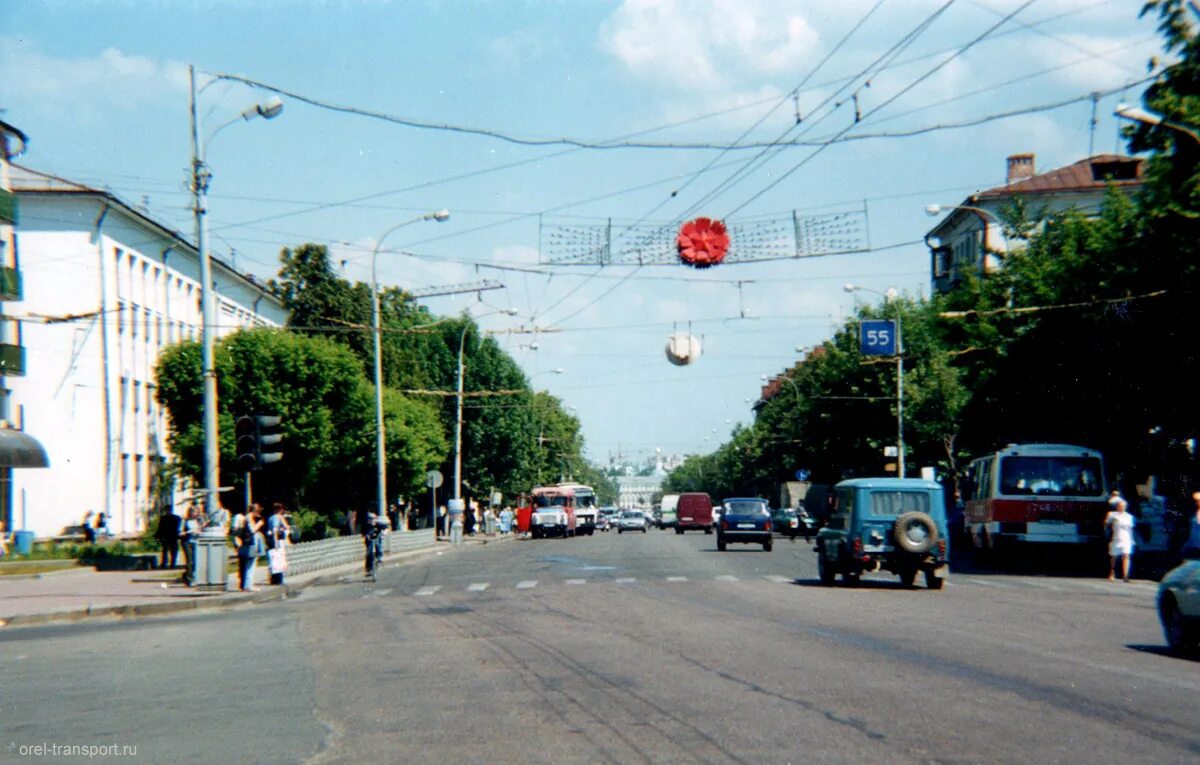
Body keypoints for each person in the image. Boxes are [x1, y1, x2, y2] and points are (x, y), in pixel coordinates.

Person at [232, 504, 265, 592]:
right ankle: (248, 586)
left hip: (245, 544)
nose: (258, 515)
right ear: (254, 511)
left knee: (246, 566)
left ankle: (245, 585)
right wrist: (259, 524)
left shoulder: (245, 518)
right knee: (250, 566)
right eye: (257, 512)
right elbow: (252, 530)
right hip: (250, 545)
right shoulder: (248, 518)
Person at [1104, 497, 1135, 582]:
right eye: (1120, 506)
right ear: (1117, 507)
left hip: (1126, 538)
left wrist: (1132, 540)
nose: (1121, 507)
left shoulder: (1129, 517)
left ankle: (1125, 575)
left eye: (1123, 506)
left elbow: (1130, 529)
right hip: (1116, 538)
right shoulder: (1112, 515)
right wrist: (1107, 532)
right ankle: (1112, 573)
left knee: (1126, 556)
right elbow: (1106, 524)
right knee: (1114, 557)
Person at [266, 502, 291, 586]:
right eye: (282, 510)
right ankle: (277, 580)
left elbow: (286, 527)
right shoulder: (276, 518)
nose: (283, 511)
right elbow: (275, 530)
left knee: (276, 560)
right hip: (277, 541)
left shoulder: (273, 517)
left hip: (276, 541)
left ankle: (276, 579)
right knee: (277, 560)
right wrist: (276, 542)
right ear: (280, 510)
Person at [363, 507, 389, 576]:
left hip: (377, 539)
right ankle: (368, 569)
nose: (371, 520)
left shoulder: (379, 524)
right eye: (369, 519)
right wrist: (366, 535)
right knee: (369, 553)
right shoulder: (367, 526)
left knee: (378, 545)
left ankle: (379, 557)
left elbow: (386, 528)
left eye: (372, 519)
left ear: (375, 519)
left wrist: (384, 532)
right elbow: (364, 533)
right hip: (369, 540)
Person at [180, 506, 201, 585]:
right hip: (187, 542)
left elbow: (201, 530)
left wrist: (199, 532)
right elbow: (180, 533)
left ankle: (188, 575)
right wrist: (189, 532)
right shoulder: (184, 521)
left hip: (196, 542)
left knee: (196, 561)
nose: (196, 514)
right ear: (190, 512)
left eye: (197, 512)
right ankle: (190, 579)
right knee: (189, 561)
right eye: (194, 512)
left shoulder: (198, 521)